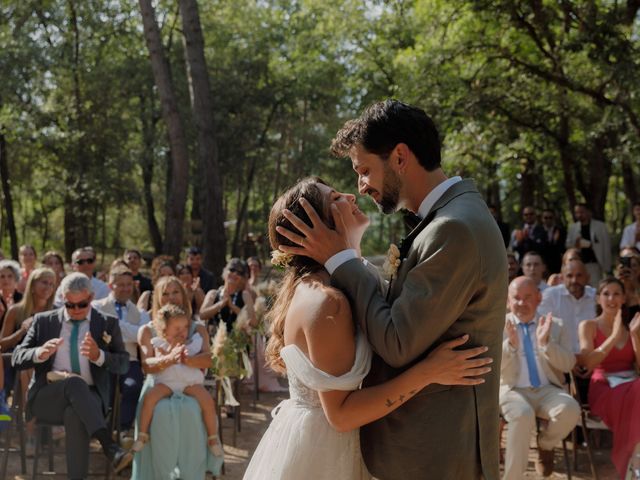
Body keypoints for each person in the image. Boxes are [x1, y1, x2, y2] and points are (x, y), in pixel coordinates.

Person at [276, 100, 507, 479]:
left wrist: (344, 260)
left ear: (400, 156)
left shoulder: (453, 228)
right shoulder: (449, 219)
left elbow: (398, 342)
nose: (360, 187)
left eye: (364, 170)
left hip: (436, 455)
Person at [244, 177, 494, 480]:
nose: (352, 195)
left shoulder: (347, 280)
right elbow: (340, 414)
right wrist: (429, 371)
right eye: (335, 197)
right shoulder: (326, 303)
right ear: (318, 227)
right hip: (323, 456)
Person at [12, 273, 132, 477]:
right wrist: (38, 353)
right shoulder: (44, 321)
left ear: (92, 298)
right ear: (63, 299)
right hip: (48, 398)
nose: (76, 310)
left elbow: (123, 365)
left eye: (82, 304)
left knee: (75, 413)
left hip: (90, 399)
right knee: (74, 384)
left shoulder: (107, 324)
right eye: (70, 305)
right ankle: (109, 446)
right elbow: (16, 358)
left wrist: (99, 356)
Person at [131, 275, 223, 480]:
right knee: (160, 411)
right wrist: (169, 360)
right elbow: (147, 365)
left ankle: (195, 467)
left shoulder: (197, 328)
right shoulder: (147, 330)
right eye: (165, 293)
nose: (171, 297)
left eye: (175, 292)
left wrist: (188, 360)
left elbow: (210, 359)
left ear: (183, 295)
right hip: (160, 383)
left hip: (190, 384)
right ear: (157, 298)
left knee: (193, 409)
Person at [500, 277, 579, 479]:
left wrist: (546, 344)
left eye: (527, 297)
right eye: (516, 298)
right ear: (508, 301)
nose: (521, 303)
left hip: (547, 390)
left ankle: (545, 445)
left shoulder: (556, 325)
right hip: (512, 390)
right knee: (522, 414)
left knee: (570, 409)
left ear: (539, 298)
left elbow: (568, 364)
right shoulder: (499, 326)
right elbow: (492, 367)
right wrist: (510, 346)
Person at [577, 277, 640, 479]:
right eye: (606, 293)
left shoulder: (632, 327)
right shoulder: (588, 325)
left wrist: (636, 337)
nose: (611, 298)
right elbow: (588, 363)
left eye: (616, 294)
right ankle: (633, 465)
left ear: (624, 299)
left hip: (632, 386)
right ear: (597, 299)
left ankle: (635, 465)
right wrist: (613, 337)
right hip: (603, 387)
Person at [93, 266, 150, 432]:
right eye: (121, 285)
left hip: (129, 361)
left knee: (133, 387)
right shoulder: (96, 306)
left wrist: (114, 325)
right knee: (105, 390)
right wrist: (130, 330)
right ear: (111, 286)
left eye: (129, 285)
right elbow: (98, 332)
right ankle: (102, 428)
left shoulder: (141, 314)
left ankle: (122, 429)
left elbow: (141, 336)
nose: (126, 289)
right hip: (103, 359)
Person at [0, 268, 56, 403]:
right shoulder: (16, 311)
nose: (48, 287)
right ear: (32, 285)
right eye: (44, 282)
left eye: (52, 284)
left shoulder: (56, 312)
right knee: (29, 366)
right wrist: (21, 332)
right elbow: (2, 344)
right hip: (19, 361)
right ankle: (29, 417)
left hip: (50, 360)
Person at [538, 259, 597, 354]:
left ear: (587, 277)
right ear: (562, 278)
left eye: (579, 275)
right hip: (560, 360)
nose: (574, 280)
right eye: (570, 276)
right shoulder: (550, 296)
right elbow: (542, 329)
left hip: (592, 358)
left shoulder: (596, 297)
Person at [199, 258, 257, 334]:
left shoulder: (245, 295)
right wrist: (221, 303)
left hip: (237, 341)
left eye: (239, 273)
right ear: (225, 271)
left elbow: (253, 322)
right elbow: (202, 315)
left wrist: (232, 306)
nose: (235, 274)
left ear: (242, 278)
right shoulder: (213, 293)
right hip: (214, 341)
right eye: (232, 269)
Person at [566, 203, 612, 286]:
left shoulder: (600, 226)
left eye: (582, 212)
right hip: (578, 265)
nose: (579, 215)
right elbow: (568, 246)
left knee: (595, 287)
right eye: (577, 212)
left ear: (588, 212)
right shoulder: (573, 228)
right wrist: (576, 245)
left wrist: (607, 267)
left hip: (594, 264)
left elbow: (606, 247)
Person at [540, 208, 566, 274]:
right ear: (542, 219)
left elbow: (563, 248)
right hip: (542, 264)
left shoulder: (561, 231)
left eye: (550, 217)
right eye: (546, 218)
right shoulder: (538, 231)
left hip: (557, 264)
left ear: (554, 218)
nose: (548, 220)